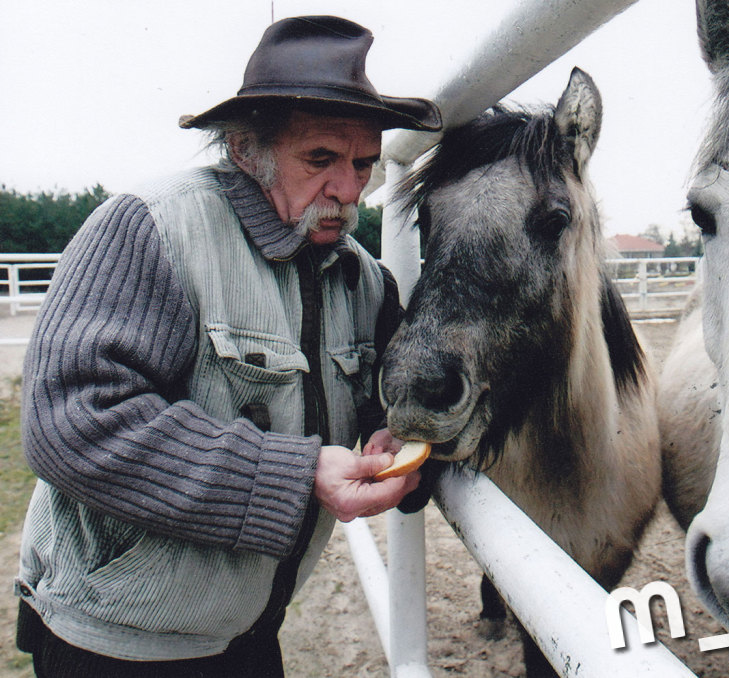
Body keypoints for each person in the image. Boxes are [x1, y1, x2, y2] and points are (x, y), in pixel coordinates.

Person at [14, 16, 441, 677]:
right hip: (115, 642)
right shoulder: (151, 229)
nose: (350, 190)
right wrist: (294, 477)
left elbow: (398, 403)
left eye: (363, 164)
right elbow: (73, 424)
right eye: (321, 159)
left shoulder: (362, 281)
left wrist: (396, 443)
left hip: (248, 635)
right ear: (246, 149)